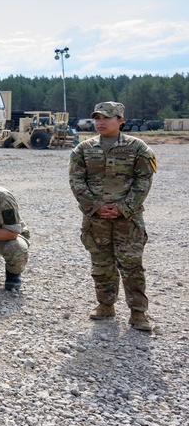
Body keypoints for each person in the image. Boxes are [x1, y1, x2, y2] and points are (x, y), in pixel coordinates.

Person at [68, 101, 156, 331]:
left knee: (132, 267)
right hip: (96, 220)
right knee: (101, 264)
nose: (100, 122)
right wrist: (96, 206)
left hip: (128, 220)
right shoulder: (83, 149)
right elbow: (76, 181)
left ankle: (138, 313)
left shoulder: (139, 148)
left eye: (106, 118)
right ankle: (105, 305)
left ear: (121, 120)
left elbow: (143, 181)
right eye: (97, 118)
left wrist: (124, 207)